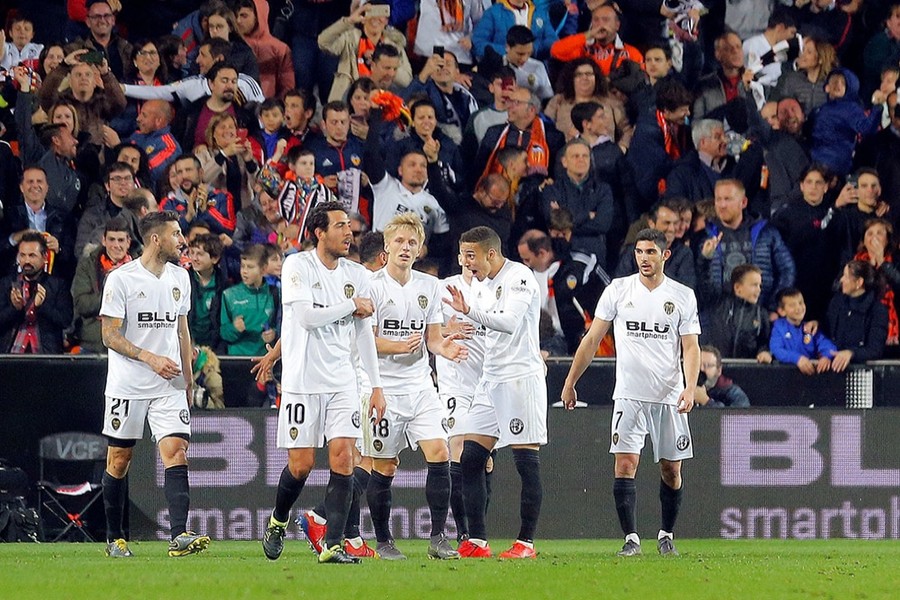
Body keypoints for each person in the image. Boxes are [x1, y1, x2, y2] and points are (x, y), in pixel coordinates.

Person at [258, 201, 385, 565]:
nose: (349, 232)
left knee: (344, 458)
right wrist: (350, 306)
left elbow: (364, 334)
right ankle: (279, 520)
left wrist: (376, 386)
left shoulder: (357, 274)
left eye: (350, 226)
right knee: (301, 465)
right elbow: (307, 317)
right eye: (341, 226)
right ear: (319, 232)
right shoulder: (298, 265)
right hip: (301, 381)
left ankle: (333, 544)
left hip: (343, 382)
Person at [561, 228, 701, 557]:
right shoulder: (618, 290)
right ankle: (632, 539)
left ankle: (666, 534)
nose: (644, 258)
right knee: (625, 464)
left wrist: (691, 387)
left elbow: (691, 347)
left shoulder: (682, 296)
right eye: (639, 252)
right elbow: (592, 339)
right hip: (629, 395)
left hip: (669, 395)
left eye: (651, 252)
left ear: (665, 255)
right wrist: (570, 382)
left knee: (671, 469)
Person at [98, 211, 210, 558]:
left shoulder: (180, 278)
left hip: (169, 384)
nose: (183, 240)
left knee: (176, 451)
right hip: (128, 385)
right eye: (176, 234)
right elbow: (109, 335)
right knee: (119, 459)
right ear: (155, 239)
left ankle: (179, 536)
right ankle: (114, 538)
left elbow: (181, 330)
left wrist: (188, 381)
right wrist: (149, 358)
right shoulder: (122, 280)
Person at [362, 212, 467, 560]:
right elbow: (364, 342)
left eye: (412, 243)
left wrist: (444, 348)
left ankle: (438, 538)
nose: (405, 248)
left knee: (441, 452)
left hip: (421, 386)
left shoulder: (429, 287)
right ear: (386, 248)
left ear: (420, 248)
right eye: (399, 242)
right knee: (385, 467)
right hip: (383, 389)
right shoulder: (372, 286)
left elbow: (432, 339)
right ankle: (383, 541)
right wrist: (398, 346)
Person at [443, 226, 547, 560]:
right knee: (471, 457)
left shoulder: (520, 278)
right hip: (490, 379)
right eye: (462, 255)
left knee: (525, 463)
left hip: (519, 378)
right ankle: (478, 540)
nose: (465, 262)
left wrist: (470, 312)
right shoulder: (482, 287)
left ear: (490, 253)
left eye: (470, 255)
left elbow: (510, 322)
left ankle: (525, 543)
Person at [517, 229, 609, 354]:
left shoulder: (580, 265)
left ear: (542, 254)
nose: (525, 264)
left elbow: (609, 293)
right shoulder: (527, 275)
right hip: (551, 339)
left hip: (586, 340)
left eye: (527, 259)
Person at [317, 1, 412, 102]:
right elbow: (323, 42)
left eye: (381, 14)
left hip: (381, 100)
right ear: (362, 19)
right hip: (348, 100)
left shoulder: (395, 43)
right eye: (371, 13)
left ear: (386, 20)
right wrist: (349, 21)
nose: (375, 18)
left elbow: (406, 80)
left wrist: (385, 65)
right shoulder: (349, 38)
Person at [0, 231, 73, 354]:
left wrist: (43, 306)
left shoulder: (58, 285)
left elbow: (65, 320)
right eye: (22, 255)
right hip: (12, 354)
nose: (26, 260)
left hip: (45, 355)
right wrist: (14, 309)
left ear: (44, 257)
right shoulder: (6, 283)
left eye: (32, 255)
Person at [71, 217, 133, 354]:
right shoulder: (87, 265)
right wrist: (111, 293)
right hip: (93, 344)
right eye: (112, 240)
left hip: (130, 343)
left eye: (121, 240)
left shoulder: (139, 268)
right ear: (103, 240)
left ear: (128, 242)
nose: (116, 245)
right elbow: (81, 304)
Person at [823, 260, 889, 371]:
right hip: (832, 371)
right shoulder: (836, 302)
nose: (841, 280)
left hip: (862, 374)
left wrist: (851, 353)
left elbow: (875, 349)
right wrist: (816, 324)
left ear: (859, 282)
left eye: (846, 276)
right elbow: (827, 332)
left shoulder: (877, 311)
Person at [702, 264, 773, 362]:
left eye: (760, 285)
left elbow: (764, 343)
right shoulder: (719, 303)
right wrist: (706, 259)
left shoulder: (761, 314)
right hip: (717, 369)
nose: (759, 290)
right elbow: (704, 282)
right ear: (737, 287)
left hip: (746, 370)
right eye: (754, 285)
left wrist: (764, 352)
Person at [549, 3, 642, 76]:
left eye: (605, 20)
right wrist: (588, 34)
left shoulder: (631, 53)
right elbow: (556, 50)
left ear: (617, 25)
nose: (600, 24)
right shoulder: (582, 49)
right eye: (596, 20)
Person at [219, 244, 279, 356]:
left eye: (250, 267)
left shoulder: (275, 294)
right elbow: (223, 332)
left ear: (263, 269)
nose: (244, 271)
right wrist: (234, 328)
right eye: (243, 266)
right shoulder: (229, 295)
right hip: (237, 359)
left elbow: (281, 324)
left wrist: (274, 334)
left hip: (264, 359)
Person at [770, 288, 837, 374]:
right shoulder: (779, 327)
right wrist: (798, 359)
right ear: (782, 311)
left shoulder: (809, 327)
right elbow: (777, 350)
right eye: (792, 305)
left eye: (801, 303)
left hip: (809, 376)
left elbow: (827, 344)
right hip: (784, 376)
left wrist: (826, 356)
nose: (798, 308)